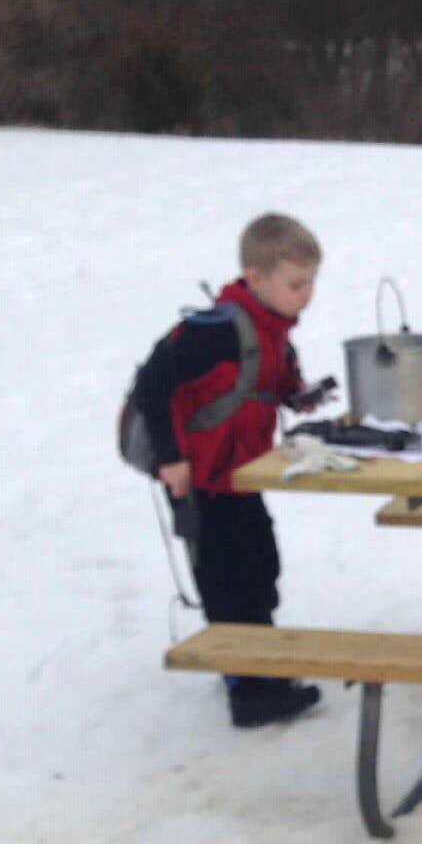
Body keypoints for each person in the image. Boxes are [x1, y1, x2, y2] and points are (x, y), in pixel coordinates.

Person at [133, 213, 329, 728]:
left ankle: (260, 664)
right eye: (296, 284)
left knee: (259, 566)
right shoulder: (214, 331)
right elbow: (153, 385)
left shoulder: (272, 328)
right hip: (200, 480)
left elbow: (267, 381)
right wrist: (170, 458)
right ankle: (248, 690)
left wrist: (298, 396)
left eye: (311, 282)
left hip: (240, 476)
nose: (306, 295)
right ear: (255, 277)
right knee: (225, 578)